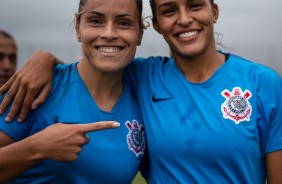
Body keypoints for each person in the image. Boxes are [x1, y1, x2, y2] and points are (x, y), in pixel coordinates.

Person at [1, 0, 282, 183]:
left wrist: (46, 59)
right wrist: (44, 60)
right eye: (169, 10)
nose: (184, 19)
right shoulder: (37, 90)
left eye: (195, 5)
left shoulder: (263, 83)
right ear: (156, 24)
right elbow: (85, 72)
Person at [0, 0, 147, 183]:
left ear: (140, 32)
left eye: (124, 23)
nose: (109, 33)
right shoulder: (35, 88)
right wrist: (37, 147)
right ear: (78, 28)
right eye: (95, 21)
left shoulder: (145, 102)